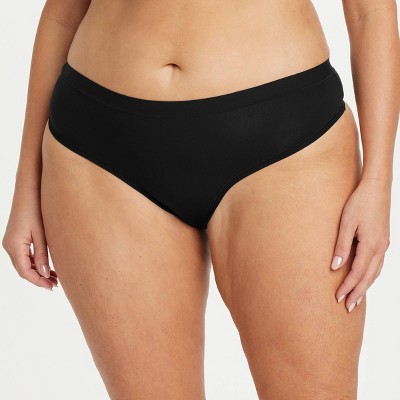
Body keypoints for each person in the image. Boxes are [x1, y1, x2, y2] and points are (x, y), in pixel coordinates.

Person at [2, 0, 399, 398]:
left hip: (285, 141)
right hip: (102, 148)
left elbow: (371, 12)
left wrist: (378, 181)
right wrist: (27, 185)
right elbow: (62, 14)